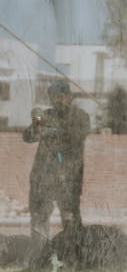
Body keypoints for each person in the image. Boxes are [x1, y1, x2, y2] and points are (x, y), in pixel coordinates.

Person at [24, 78, 90, 242]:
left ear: (69, 96)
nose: (58, 99)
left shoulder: (80, 116)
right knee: (39, 215)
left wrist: (52, 131)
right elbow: (28, 137)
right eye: (54, 96)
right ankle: (40, 254)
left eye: (61, 95)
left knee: (70, 216)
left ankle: (74, 255)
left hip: (68, 176)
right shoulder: (46, 115)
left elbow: (76, 136)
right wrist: (36, 125)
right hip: (43, 175)